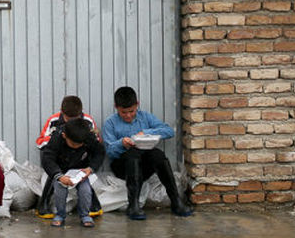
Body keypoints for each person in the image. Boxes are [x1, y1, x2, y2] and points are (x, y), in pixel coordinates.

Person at [101, 85, 192, 221]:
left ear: (137, 104)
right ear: (116, 107)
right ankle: (133, 205)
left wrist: (146, 133)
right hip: (123, 167)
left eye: (132, 111)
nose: (128, 115)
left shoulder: (145, 117)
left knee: (158, 155)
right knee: (132, 154)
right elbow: (110, 151)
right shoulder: (110, 123)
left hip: (144, 166)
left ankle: (176, 202)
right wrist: (121, 143)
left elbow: (168, 131)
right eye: (123, 112)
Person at [35, 94, 101, 217]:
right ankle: (44, 204)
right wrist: (56, 140)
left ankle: (93, 205)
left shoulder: (88, 121)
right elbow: (40, 142)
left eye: (75, 118)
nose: (72, 122)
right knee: (53, 169)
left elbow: (96, 144)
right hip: (59, 157)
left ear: (81, 113)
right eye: (68, 119)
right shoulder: (53, 121)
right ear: (62, 112)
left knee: (84, 178)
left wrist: (91, 167)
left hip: (81, 157)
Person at [40, 117, 104, 228]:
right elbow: (47, 159)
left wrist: (91, 169)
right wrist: (58, 176)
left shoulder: (88, 137)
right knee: (60, 191)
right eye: (73, 144)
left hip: (81, 171)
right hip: (61, 171)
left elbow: (99, 153)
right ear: (64, 136)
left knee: (85, 191)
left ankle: (85, 215)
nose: (77, 147)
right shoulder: (56, 138)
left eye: (80, 144)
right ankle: (60, 215)